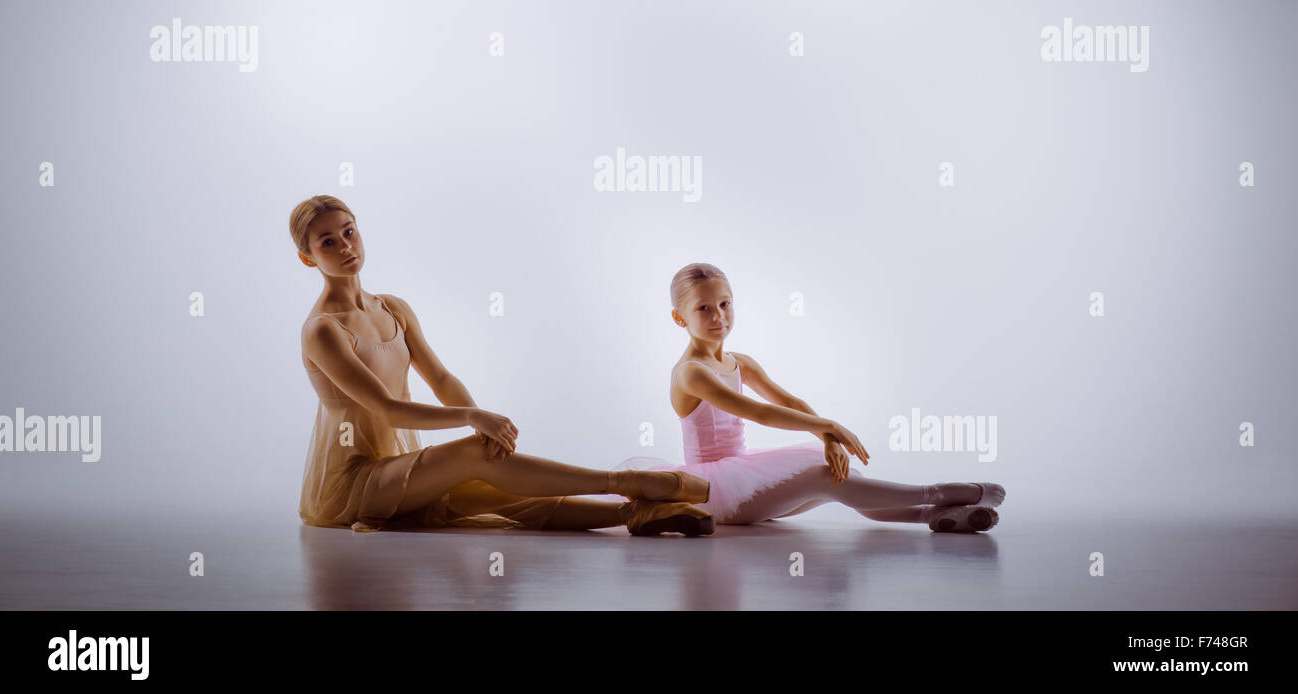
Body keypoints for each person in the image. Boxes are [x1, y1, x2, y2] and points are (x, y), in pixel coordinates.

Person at [291, 195, 713, 536]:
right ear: (308, 258)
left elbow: (439, 378)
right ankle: (625, 482)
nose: (346, 246)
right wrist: (475, 418)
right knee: (480, 461)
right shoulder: (323, 330)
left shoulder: (393, 308)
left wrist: (481, 429)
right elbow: (387, 408)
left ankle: (636, 515)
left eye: (349, 232)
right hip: (355, 483)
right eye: (328, 242)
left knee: (497, 489)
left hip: (402, 465)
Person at [614, 262, 1006, 532]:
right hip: (711, 491)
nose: (719, 316)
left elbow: (790, 402)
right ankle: (940, 493)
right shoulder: (691, 373)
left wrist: (828, 439)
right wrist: (831, 426)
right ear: (679, 318)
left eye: (725, 304)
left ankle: (935, 517)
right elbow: (761, 413)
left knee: (838, 479)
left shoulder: (740, 361)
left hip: (741, 472)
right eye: (703, 308)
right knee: (828, 478)